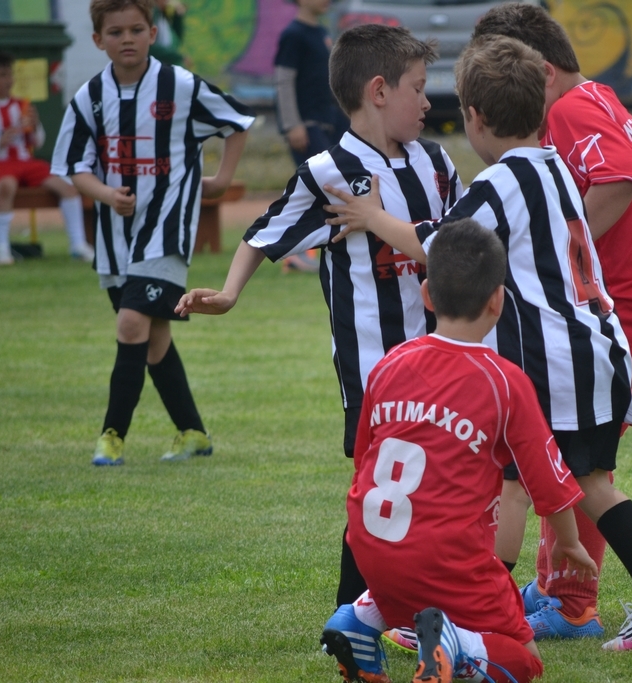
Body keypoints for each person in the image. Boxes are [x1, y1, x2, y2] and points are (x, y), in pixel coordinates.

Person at [323, 34, 632, 653]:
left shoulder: (501, 182)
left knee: (510, 486)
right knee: (592, 483)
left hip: (553, 363)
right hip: (600, 348)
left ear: (474, 117)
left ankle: (469, 617)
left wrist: (373, 219)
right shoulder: (557, 167)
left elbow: (442, 249)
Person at [175, 24, 461, 610]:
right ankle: (350, 614)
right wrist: (229, 293)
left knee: (437, 490)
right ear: (378, 91)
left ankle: (416, 608)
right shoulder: (329, 171)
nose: (427, 102)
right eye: (417, 88)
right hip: (373, 368)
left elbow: (458, 243)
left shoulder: (435, 162)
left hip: (444, 362)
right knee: (382, 495)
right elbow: (264, 233)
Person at [470, 3, 632, 644]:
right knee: (576, 456)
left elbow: (618, 178)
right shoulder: (597, 96)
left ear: (543, 72)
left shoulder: (571, 108)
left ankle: (570, 601)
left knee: (570, 458)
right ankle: (560, 588)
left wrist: (554, 254)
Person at [319, 218, 598, 683]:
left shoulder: (389, 364)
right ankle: (455, 645)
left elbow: (364, 458)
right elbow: (549, 485)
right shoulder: (505, 382)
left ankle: (359, 620)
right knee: (524, 659)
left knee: (410, 571)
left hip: (371, 550)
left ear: (427, 295)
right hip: (446, 561)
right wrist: (569, 543)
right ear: (498, 300)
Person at [51, 0, 254, 465]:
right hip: (115, 240)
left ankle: (111, 437)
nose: (127, 38)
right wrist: (106, 194)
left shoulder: (179, 85)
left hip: (167, 228)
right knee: (153, 336)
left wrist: (222, 180)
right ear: (98, 39)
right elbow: (73, 167)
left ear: (153, 33)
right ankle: (193, 432)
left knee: (130, 322)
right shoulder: (89, 97)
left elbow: (237, 122)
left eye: (136, 29)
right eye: (116, 32)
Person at [0, 50, 93, 265]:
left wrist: (35, 127)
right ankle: (1, 248)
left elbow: (38, 141)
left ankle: (78, 245)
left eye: (10, 74)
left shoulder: (22, 105)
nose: (9, 80)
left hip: (25, 162)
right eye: (2, 75)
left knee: (68, 187)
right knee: (7, 186)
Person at [275, 0, 347, 168]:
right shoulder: (293, 35)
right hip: (308, 126)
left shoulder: (322, 33)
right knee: (322, 176)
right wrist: (292, 125)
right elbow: (284, 82)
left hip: (330, 120)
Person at [149, 0, 187, 67]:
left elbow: (177, 40)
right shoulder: (153, 14)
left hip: (167, 64)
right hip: (158, 64)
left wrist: (177, 16)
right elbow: (150, 46)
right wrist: (178, 56)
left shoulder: (162, 14)